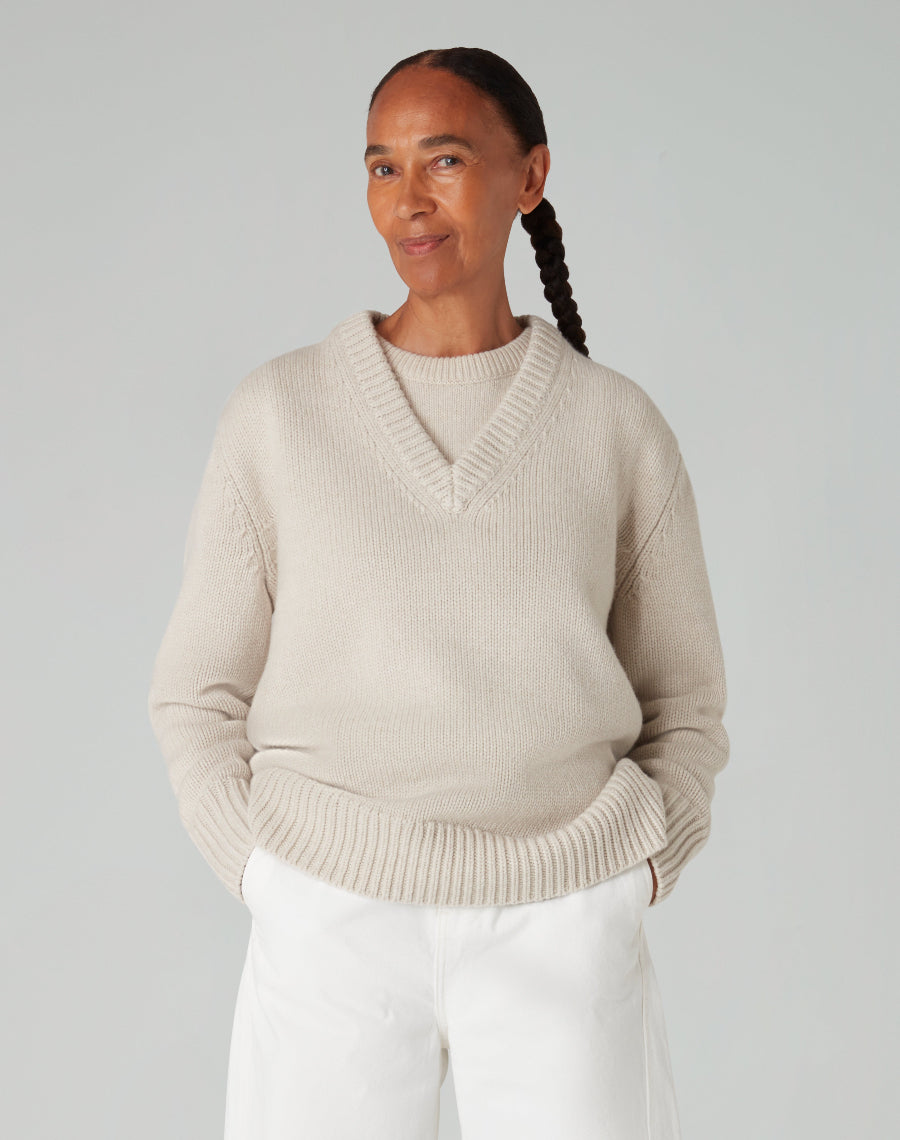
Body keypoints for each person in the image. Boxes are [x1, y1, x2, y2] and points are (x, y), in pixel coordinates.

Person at [147, 45, 729, 1140]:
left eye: (444, 160)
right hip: (329, 909)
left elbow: (687, 700)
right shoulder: (279, 414)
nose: (407, 200)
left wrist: (636, 870)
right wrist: (266, 873)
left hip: (564, 910)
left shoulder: (615, 426)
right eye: (382, 167)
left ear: (530, 176)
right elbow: (195, 690)